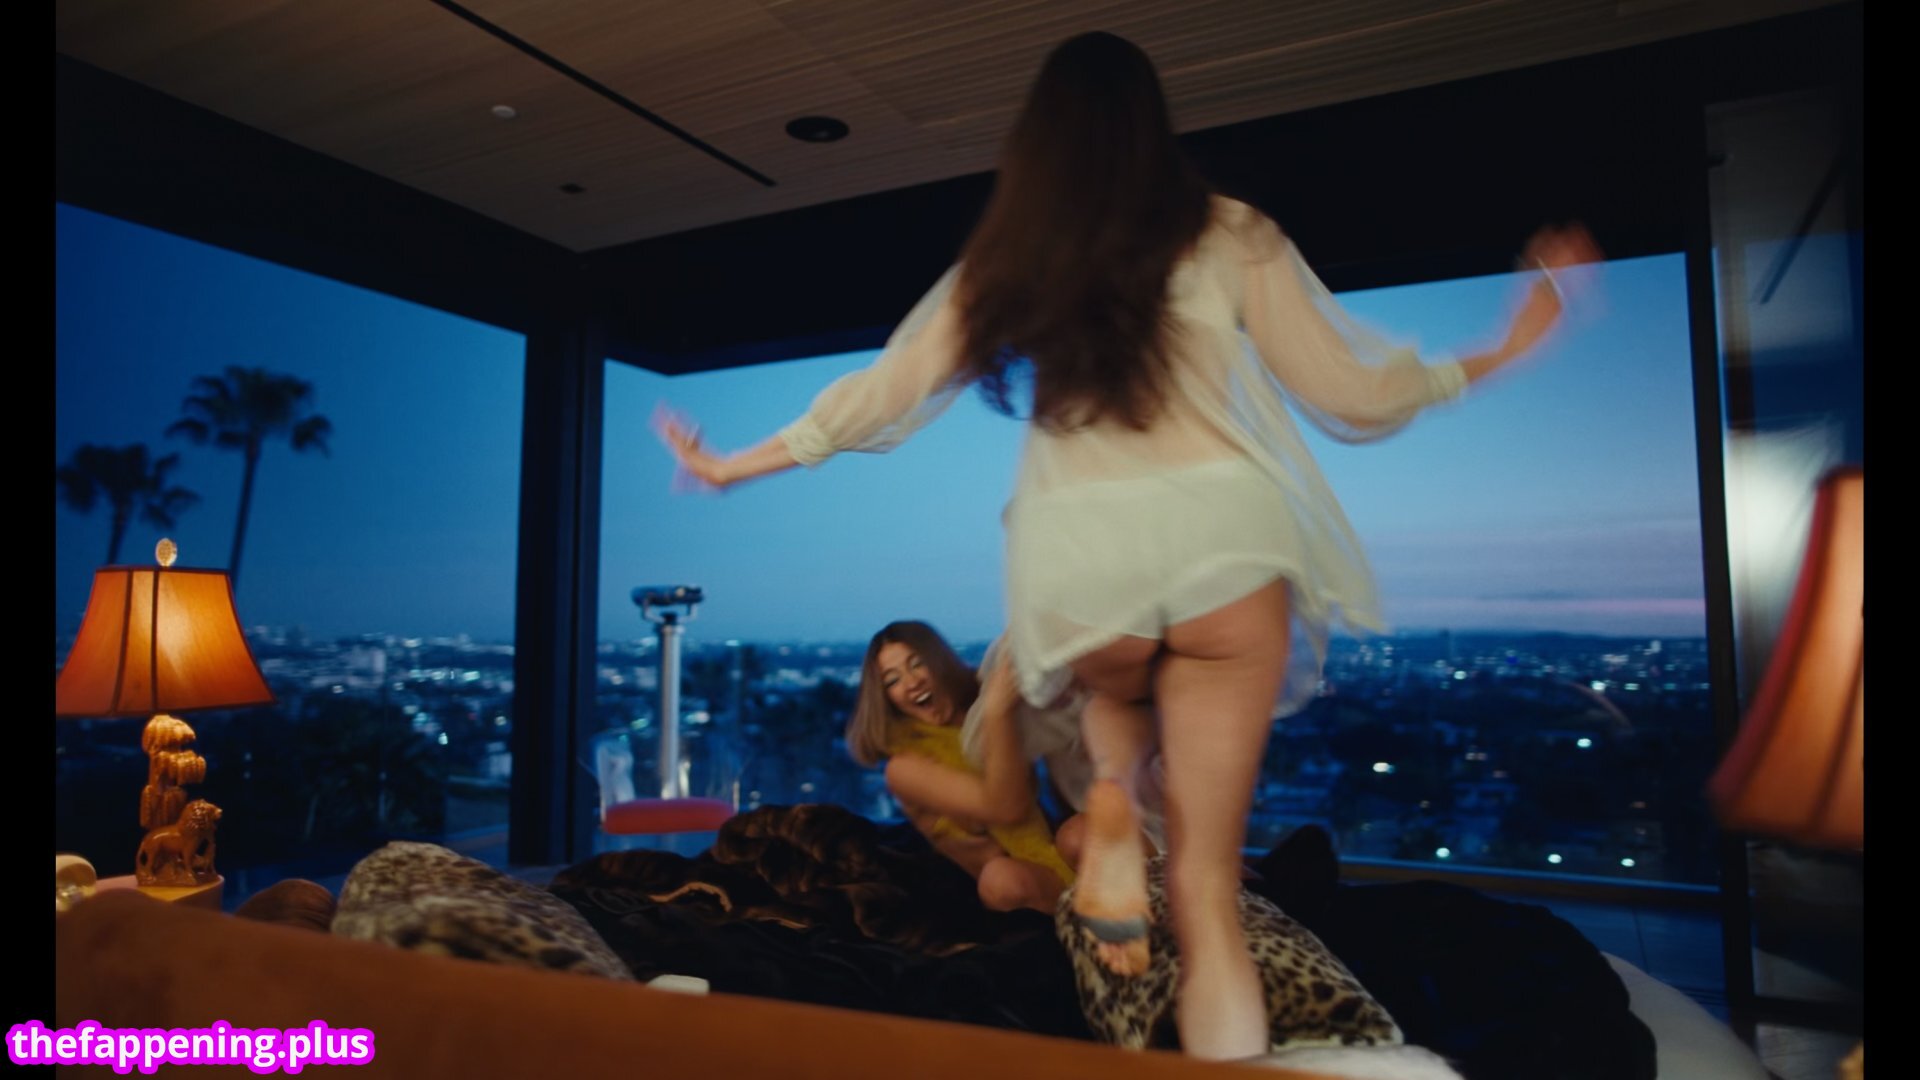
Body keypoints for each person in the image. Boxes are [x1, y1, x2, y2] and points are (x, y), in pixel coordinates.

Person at [657, 31, 1599, 1059]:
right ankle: (1139, 854)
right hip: (1229, 541)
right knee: (1204, 889)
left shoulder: (1011, 260)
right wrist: (1507, 343)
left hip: (1082, 550)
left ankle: (1109, 798)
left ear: (1036, 146)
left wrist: (731, 465)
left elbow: (883, 394)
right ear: (1153, 126)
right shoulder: (1232, 231)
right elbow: (1352, 391)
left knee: (1113, 692)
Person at [846, 619, 1074, 914]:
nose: (912, 682)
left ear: (939, 661)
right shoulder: (903, 768)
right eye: (892, 680)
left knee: (1079, 833)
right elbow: (1007, 808)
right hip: (1006, 890)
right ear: (886, 698)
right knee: (1002, 877)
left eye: (917, 664)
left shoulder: (978, 711)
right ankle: (1098, 923)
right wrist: (997, 713)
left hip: (1056, 847)